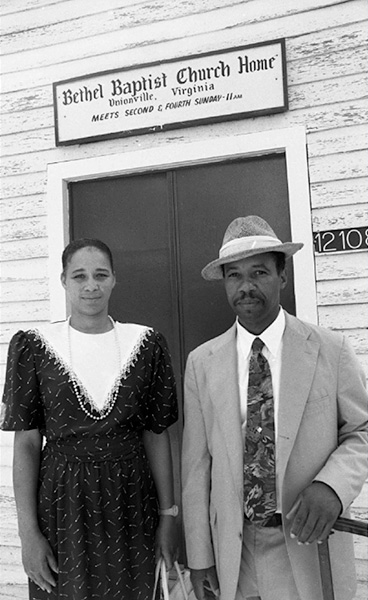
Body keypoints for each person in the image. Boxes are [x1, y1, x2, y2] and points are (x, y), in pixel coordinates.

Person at [181, 215, 368, 600]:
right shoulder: (202, 362)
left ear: (282, 276)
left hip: (309, 542)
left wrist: (331, 487)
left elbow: (361, 431)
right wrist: (200, 557)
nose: (246, 286)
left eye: (259, 272)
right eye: (234, 275)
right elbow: (196, 467)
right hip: (236, 550)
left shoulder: (329, 350)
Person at [1, 238, 179, 600]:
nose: (91, 285)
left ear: (114, 279)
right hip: (61, 506)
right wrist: (27, 533)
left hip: (131, 503)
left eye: (100, 275)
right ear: (64, 281)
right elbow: (27, 444)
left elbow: (156, 435)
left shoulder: (146, 344)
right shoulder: (34, 345)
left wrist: (169, 516)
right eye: (79, 276)